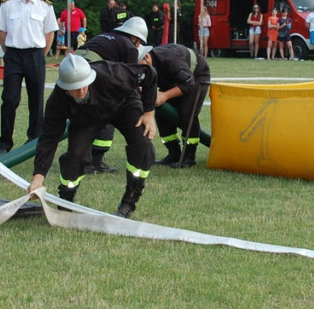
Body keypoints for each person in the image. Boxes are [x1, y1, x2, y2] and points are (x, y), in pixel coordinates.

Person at [27, 54, 157, 218]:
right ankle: (66, 200)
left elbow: (149, 73)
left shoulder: (112, 74)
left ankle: (129, 201)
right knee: (75, 157)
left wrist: (149, 112)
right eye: (75, 88)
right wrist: (38, 177)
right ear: (65, 87)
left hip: (124, 105)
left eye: (84, 85)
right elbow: (48, 138)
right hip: (87, 118)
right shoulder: (57, 101)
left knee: (143, 146)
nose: (81, 91)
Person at [0, 0, 58, 154]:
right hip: (14, 54)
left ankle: (34, 140)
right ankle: (4, 143)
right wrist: (9, 52)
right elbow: (2, 32)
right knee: (9, 99)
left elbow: (50, 34)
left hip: (35, 55)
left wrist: (41, 54)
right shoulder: (8, 5)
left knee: (36, 100)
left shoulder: (45, 6)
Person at [74, 16, 148, 173]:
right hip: (93, 72)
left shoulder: (105, 36)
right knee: (108, 110)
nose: (139, 46)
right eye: (139, 42)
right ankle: (94, 161)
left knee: (84, 116)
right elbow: (130, 78)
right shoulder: (129, 47)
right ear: (134, 37)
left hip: (74, 71)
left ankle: (83, 159)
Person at [140, 43, 210, 168]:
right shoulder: (145, 63)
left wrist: (164, 95)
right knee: (162, 114)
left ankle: (189, 157)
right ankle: (174, 154)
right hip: (173, 78)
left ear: (146, 57)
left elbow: (188, 83)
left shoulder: (170, 60)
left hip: (196, 76)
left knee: (187, 112)